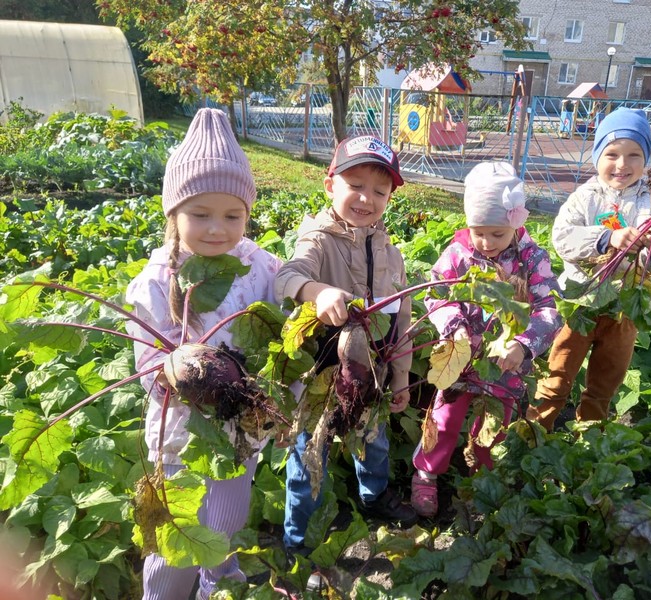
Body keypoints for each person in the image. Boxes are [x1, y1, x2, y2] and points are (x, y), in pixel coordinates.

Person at [125, 108, 282, 600]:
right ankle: (165, 593)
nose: (217, 229)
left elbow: (284, 330)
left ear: (247, 215)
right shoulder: (157, 279)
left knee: (226, 519)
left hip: (240, 427)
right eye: (201, 214)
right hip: (178, 433)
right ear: (173, 214)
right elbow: (148, 365)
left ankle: (219, 583)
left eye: (233, 216)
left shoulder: (261, 267)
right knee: (176, 534)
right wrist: (173, 368)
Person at [273, 135, 418, 580]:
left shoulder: (391, 252)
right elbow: (288, 276)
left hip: (371, 373)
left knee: (374, 440)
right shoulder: (318, 239)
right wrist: (318, 293)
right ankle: (298, 540)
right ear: (329, 185)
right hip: (319, 377)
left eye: (380, 191)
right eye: (355, 185)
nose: (366, 199)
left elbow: (402, 317)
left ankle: (373, 496)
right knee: (308, 456)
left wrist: (400, 377)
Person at [410, 161, 562, 518]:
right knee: (444, 419)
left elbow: (550, 310)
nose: (487, 242)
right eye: (479, 232)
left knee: (492, 428)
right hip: (460, 360)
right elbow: (436, 294)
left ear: (515, 225)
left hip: (505, 365)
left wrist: (523, 344)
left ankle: (482, 480)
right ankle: (426, 473)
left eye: (497, 234)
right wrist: (455, 327)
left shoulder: (532, 259)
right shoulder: (458, 253)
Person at [528, 107, 651, 431]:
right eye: (612, 154)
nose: (622, 164)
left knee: (606, 381)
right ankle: (535, 431)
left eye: (634, 155)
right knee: (557, 374)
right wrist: (606, 238)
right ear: (597, 156)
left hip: (623, 307)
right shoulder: (585, 197)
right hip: (580, 300)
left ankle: (590, 437)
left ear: (646, 161)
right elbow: (562, 238)